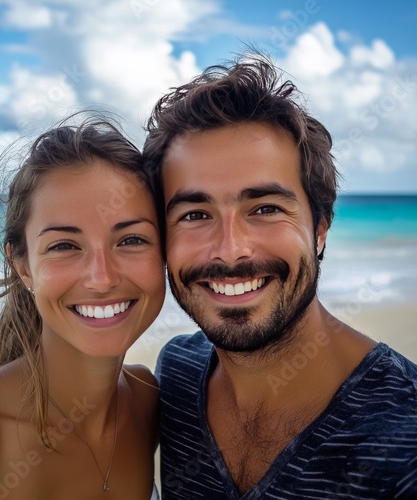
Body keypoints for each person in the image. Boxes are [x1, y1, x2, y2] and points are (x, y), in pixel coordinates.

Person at [144, 54, 417, 498]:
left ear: (320, 228)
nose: (231, 250)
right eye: (195, 214)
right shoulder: (176, 374)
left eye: (266, 208)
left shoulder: (404, 438)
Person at [0, 117, 165, 499]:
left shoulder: (147, 401)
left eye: (131, 239)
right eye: (64, 246)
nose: (101, 278)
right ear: (23, 268)